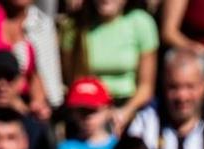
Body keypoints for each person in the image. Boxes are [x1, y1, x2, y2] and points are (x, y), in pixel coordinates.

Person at [62, 0, 160, 129]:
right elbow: (74, 81)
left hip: (130, 107)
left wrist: (125, 112)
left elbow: (146, 87)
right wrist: (99, 113)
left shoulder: (141, 22)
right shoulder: (75, 26)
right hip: (89, 108)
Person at [54, 77, 120, 149]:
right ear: (73, 113)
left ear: (108, 110)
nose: (87, 117)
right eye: (81, 111)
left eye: (93, 111)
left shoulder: (118, 146)